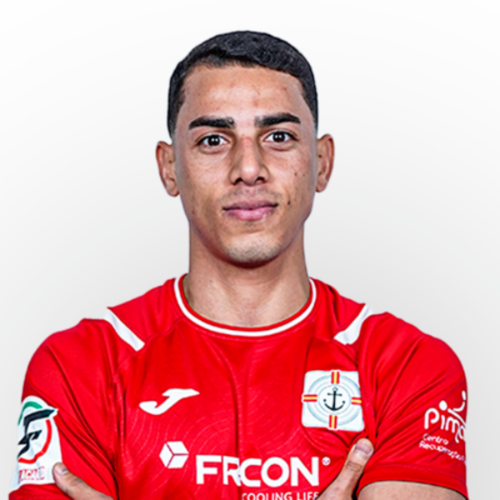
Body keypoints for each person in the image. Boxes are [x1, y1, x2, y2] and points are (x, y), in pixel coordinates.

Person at [10, 31, 467, 500]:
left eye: (279, 137)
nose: (248, 168)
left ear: (322, 162)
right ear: (169, 168)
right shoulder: (80, 365)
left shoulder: (408, 366)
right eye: (213, 140)